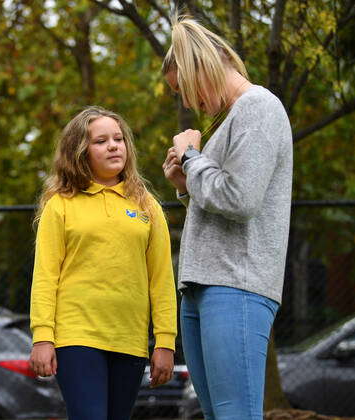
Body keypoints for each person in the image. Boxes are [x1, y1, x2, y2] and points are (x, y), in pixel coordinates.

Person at [160, 15, 293, 420]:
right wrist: (186, 183)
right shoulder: (229, 121)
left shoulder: (258, 107)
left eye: (182, 88)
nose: (186, 102)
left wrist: (193, 157)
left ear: (202, 65)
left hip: (237, 284)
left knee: (235, 414)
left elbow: (240, 198)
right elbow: (218, 202)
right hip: (204, 284)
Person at [29, 106, 178, 420]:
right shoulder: (60, 204)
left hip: (130, 338)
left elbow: (161, 278)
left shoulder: (147, 205)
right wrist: (43, 336)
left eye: (119, 139)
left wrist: (165, 340)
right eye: (101, 141)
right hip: (76, 335)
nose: (113, 146)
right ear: (80, 152)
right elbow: (45, 275)